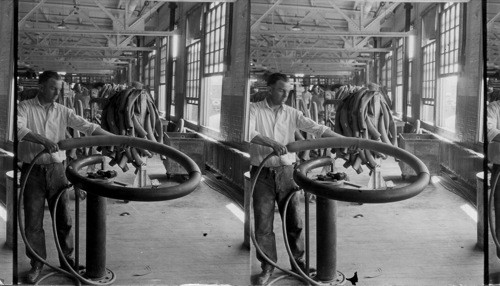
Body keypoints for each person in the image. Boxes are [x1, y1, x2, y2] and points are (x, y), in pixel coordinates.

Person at [17, 71, 115, 284]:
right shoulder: (24, 108)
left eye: (59, 89)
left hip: (57, 169)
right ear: (42, 86)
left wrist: (115, 138)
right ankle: (37, 264)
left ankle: (67, 261)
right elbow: (18, 128)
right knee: (33, 222)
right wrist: (42, 140)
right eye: (53, 88)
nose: (57, 93)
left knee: (63, 218)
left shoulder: (63, 111)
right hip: (31, 171)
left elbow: (86, 126)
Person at [249, 73, 343, 285]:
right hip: (261, 173)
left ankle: (298, 264)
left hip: (287, 172)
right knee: (263, 223)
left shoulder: (292, 113)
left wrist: (345, 140)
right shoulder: (254, 109)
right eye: (281, 90)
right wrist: (271, 142)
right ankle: (267, 267)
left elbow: (315, 128)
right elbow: (248, 132)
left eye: (288, 91)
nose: (285, 94)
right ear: (270, 88)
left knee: (294, 221)